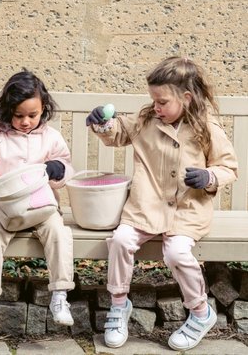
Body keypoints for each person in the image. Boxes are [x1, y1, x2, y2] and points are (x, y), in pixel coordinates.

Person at [86, 56, 238, 351]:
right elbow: (119, 132)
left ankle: (200, 312)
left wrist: (209, 176)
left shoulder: (206, 127)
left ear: (186, 97)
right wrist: (102, 123)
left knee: (178, 254)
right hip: (146, 205)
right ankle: (119, 306)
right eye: (153, 99)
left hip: (186, 210)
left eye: (163, 101)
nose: (156, 106)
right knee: (119, 240)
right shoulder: (147, 119)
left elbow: (228, 167)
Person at [0, 70, 75, 329]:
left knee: (59, 232)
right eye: (19, 115)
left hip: (41, 204)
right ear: (7, 110)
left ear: (43, 109)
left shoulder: (50, 136)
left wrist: (57, 169)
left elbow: (66, 166)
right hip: (3, 207)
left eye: (32, 115)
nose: (26, 121)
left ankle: (60, 295)